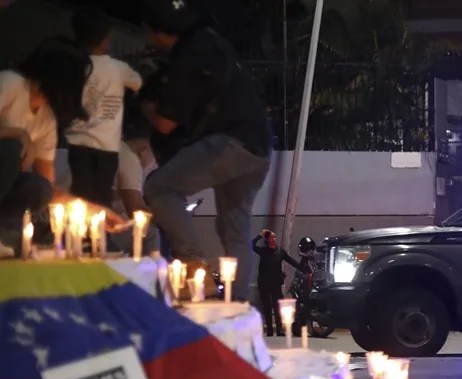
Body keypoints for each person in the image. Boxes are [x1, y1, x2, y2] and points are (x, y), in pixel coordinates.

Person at [140, 0, 272, 300]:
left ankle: (192, 264)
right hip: (259, 148)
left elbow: (165, 123)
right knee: (234, 227)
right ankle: (237, 305)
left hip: (230, 143)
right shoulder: (211, 41)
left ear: (160, 32)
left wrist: (145, 106)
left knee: (159, 187)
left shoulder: (186, 57)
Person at [0, 37, 91, 256]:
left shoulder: (47, 119)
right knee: (10, 149)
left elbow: (49, 187)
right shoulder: (11, 83)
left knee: (40, 188)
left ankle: (4, 232)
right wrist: (20, 134)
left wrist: (91, 210)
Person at [66, 8, 143, 209]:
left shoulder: (73, 65)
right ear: (107, 39)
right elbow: (137, 84)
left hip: (76, 142)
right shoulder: (119, 68)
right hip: (107, 147)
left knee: (80, 195)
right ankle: (98, 238)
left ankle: (78, 237)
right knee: (101, 197)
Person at [252, 229, 303, 336]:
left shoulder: (280, 252)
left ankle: (279, 329)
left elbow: (291, 261)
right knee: (267, 307)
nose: (274, 239)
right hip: (264, 283)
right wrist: (260, 235)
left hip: (276, 283)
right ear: (267, 239)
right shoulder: (263, 251)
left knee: (278, 307)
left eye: (275, 237)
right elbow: (251, 245)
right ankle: (270, 329)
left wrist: (303, 268)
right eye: (271, 237)